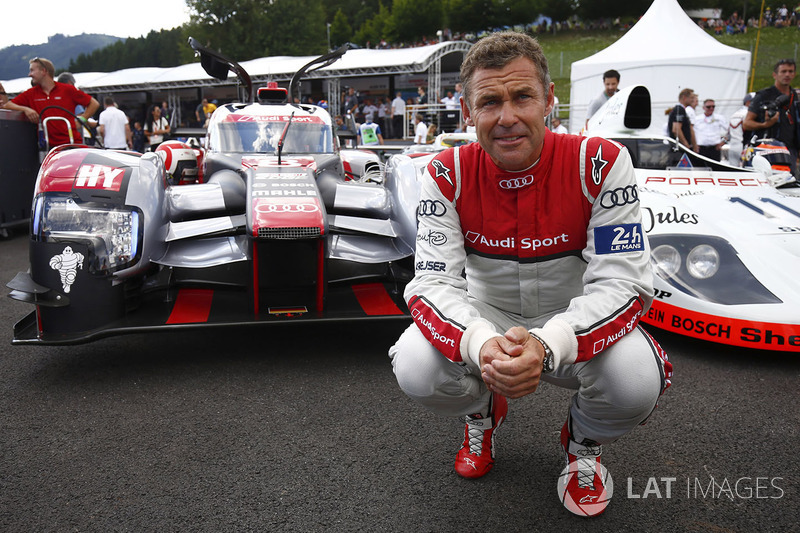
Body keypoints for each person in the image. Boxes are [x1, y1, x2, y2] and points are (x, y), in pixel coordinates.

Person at [389, 31, 671, 518]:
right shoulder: (444, 172)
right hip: (487, 319)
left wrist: (548, 343)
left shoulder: (600, 163)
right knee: (416, 363)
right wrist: (479, 343)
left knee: (634, 381)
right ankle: (482, 413)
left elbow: (624, 283)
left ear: (548, 102)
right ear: (467, 112)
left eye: (522, 97)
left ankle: (582, 446)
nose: (507, 117)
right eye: (490, 101)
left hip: (571, 318)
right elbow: (433, 284)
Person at [5, 57, 99, 148]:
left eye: (32, 70)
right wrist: (26, 109)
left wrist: (82, 120)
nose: (30, 74)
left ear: (44, 71)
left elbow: (94, 104)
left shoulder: (67, 89)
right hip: (48, 148)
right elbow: (7, 106)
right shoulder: (31, 93)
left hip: (72, 144)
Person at [743, 58, 800, 176]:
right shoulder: (763, 95)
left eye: (790, 71)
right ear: (775, 75)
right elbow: (747, 123)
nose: (787, 75)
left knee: (789, 186)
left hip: (790, 150)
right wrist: (765, 125)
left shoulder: (794, 95)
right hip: (767, 149)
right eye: (783, 71)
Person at [727, 93, 754, 166]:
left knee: (733, 169)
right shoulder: (748, 114)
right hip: (743, 145)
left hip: (732, 146)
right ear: (748, 102)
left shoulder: (735, 113)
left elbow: (728, 133)